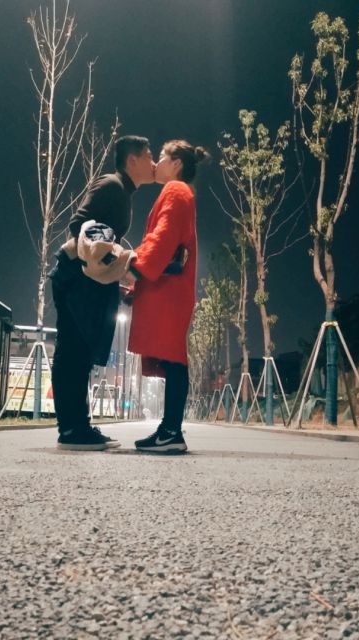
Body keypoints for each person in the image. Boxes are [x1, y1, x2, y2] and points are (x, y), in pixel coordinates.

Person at [49, 136, 154, 451]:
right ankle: (71, 430)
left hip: (84, 279)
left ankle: (79, 426)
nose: (152, 163)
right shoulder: (112, 185)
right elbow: (79, 224)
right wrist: (117, 259)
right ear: (132, 160)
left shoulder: (122, 191)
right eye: (148, 156)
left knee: (80, 354)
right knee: (73, 352)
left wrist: (112, 272)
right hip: (75, 277)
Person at [126, 140, 209, 453]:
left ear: (176, 164)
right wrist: (136, 284)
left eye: (161, 157)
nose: (155, 163)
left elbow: (163, 237)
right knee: (173, 357)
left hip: (168, 291)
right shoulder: (182, 192)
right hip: (169, 289)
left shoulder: (176, 190)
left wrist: (134, 269)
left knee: (174, 358)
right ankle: (168, 429)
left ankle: (172, 432)